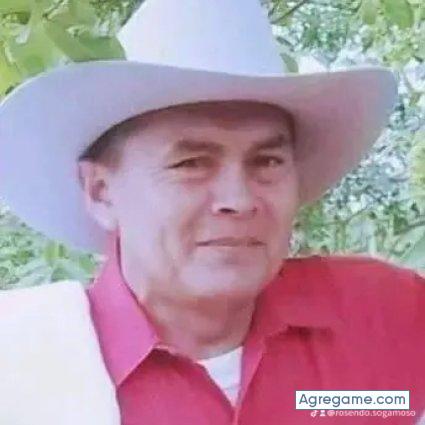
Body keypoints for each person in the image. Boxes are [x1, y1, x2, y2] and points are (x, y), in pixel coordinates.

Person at [0, 0, 423, 424]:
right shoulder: (24, 370)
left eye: (267, 161)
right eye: (191, 164)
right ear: (101, 192)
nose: (238, 199)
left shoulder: (386, 317)